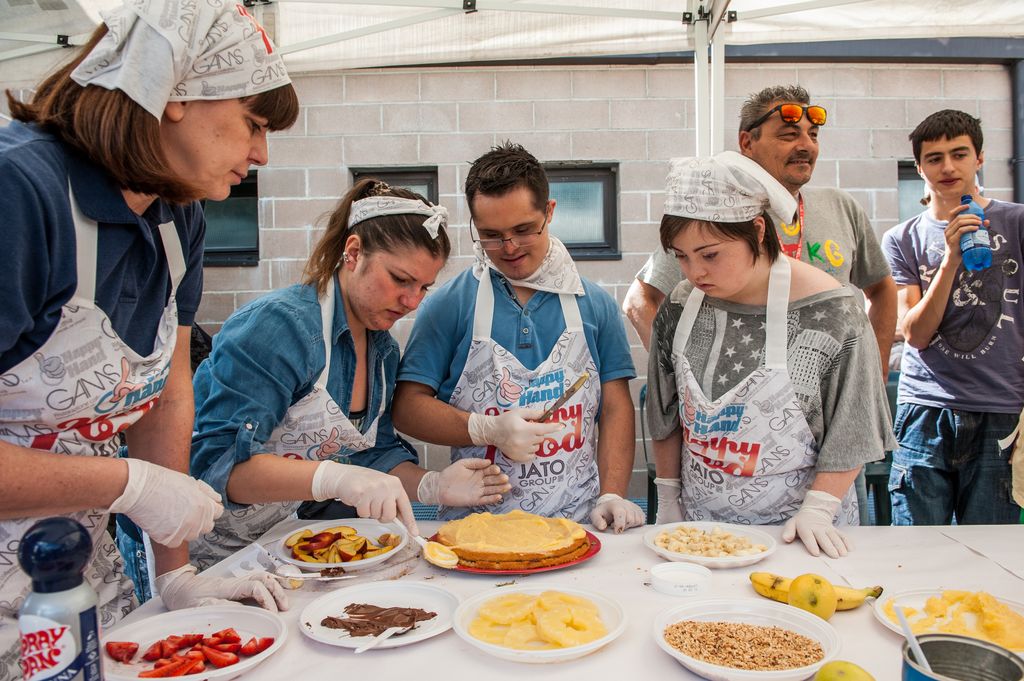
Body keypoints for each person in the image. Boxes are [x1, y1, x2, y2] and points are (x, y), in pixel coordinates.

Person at [0, 0, 298, 676]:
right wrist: (129, 482)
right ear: (175, 93)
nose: (261, 153)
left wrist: (176, 570)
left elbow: (165, 394)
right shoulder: (20, 192)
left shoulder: (176, 220)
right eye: (253, 124)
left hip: (77, 585)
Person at [149, 179, 511, 571]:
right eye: (400, 279)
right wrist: (334, 478)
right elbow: (219, 468)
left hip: (281, 539)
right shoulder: (279, 328)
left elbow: (372, 453)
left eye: (424, 287)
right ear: (353, 252)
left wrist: (432, 485)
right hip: (197, 543)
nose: (412, 302)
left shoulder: (383, 352)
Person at [623, 84, 897, 520]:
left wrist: (819, 510)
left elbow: (852, 428)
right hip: (701, 528)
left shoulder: (834, 310)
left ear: (758, 231)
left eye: (710, 255)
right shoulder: (680, 305)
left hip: (800, 530)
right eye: (682, 257)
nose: (695, 273)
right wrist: (669, 496)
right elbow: (666, 412)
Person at [392, 143, 643, 532]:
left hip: (577, 526)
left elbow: (615, 409)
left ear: (549, 212)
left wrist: (611, 493)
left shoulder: (594, 305)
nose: (509, 248)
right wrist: (485, 428)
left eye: (523, 230)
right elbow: (407, 409)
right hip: (475, 530)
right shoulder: (448, 306)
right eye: (491, 235)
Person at [881, 109, 1023, 525]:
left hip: (1002, 407)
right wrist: (950, 260)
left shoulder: (1017, 223)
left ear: (979, 158)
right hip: (925, 408)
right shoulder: (902, 239)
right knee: (916, 544)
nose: (947, 167)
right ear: (919, 167)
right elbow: (915, 334)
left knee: (991, 548)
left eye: (959, 154)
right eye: (934, 158)